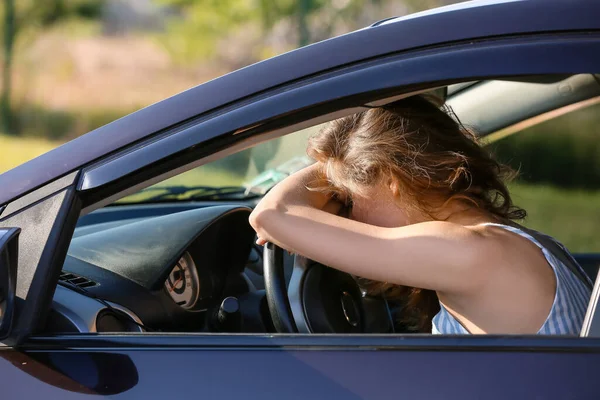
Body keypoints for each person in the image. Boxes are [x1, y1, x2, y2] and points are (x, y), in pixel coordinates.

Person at [249, 95, 592, 335]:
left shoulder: (467, 251)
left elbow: (272, 214)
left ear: (392, 180)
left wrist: (332, 165)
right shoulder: (507, 243)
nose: (350, 218)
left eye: (349, 200)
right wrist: (345, 164)